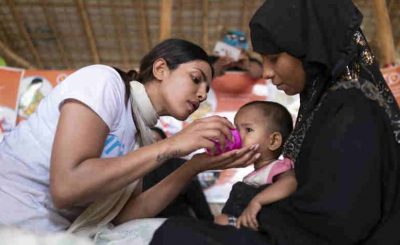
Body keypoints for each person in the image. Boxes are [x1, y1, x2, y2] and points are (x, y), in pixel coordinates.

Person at [149, 1, 400, 244]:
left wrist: (250, 210)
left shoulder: (354, 111)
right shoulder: (325, 106)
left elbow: (338, 218)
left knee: (178, 234)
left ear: (309, 50)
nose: (267, 73)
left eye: (274, 58)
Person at [0, 38, 260, 234]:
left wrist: (194, 166)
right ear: (160, 69)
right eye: (196, 79)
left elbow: (121, 216)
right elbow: (66, 187)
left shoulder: (142, 136)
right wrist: (172, 145)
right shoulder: (104, 82)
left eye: (207, 88)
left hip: (48, 233)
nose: (202, 93)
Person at [214, 101, 295, 230]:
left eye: (248, 130)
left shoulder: (276, 167)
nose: (238, 136)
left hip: (261, 226)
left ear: (273, 141)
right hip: (245, 221)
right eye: (236, 129)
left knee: (221, 221)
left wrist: (258, 201)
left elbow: (290, 182)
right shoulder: (255, 174)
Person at [143, 127, 213, 221]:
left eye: (156, 140)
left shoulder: (182, 166)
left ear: (165, 142)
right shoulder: (134, 170)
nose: (152, 145)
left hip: (178, 223)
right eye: (147, 141)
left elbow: (197, 200)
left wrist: (209, 224)